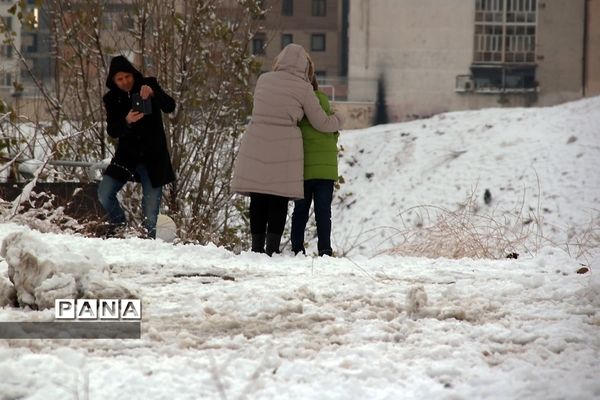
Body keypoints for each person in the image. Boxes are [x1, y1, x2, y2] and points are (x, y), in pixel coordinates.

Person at [231, 44, 344, 255]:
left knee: (258, 195)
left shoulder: (263, 80)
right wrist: (338, 119)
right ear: (304, 67)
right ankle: (271, 250)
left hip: (256, 139)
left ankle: (256, 248)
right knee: (278, 197)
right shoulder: (303, 88)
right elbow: (321, 123)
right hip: (284, 144)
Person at [97, 55, 176, 239]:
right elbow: (112, 130)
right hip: (126, 156)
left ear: (132, 74)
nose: (124, 82)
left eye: (127, 76)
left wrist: (154, 94)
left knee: (150, 214)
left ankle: (149, 245)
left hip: (153, 157)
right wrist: (126, 121)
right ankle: (119, 225)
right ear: (113, 81)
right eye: (119, 79)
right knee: (104, 192)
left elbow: (170, 106)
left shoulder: (147, 84)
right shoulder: (111, 98)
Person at [291, 74, 339, 256]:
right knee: (323, 211)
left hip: (304, 170)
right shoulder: (326, 109)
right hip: (326, 171)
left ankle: (297, 249)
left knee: (301, 210)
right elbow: (334, 134)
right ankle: (325, 249)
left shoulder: (299, 109)